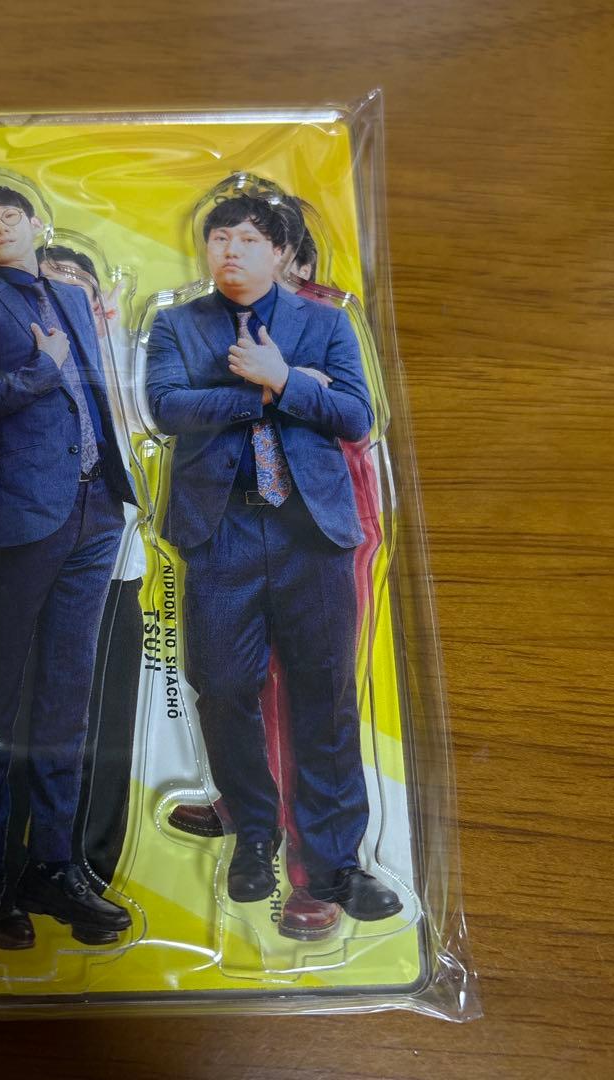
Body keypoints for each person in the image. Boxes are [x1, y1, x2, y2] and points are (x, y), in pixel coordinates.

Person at [146, 193, 401, 921]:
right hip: (219, 531)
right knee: (224, 687)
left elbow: (355, 416)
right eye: (219, 237)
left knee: (325, 695)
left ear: (283, 252)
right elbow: (167, 408)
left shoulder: (326, 323)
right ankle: (254, 834)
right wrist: (264, 388)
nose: (230, 250)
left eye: (249, 239)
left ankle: (336, 865)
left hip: (310, 534)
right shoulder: (176, 324)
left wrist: (286, 377)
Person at [0, 186, 137, 949]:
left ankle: (53, 864)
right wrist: (39, 371)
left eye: (9, 216)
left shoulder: (75, 300)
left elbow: (100, 395)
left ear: (33, 224)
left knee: (66, 699)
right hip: (18, 520)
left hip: (96, 511)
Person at [0, 243, 147, 947]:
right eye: (47, 285)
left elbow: (146, 424)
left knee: (106, 732)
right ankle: (6, 880)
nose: (62, 296)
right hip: (34, 569)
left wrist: (106, 347)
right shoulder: (15, 360)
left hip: (115, 571)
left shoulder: (119, 358)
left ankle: (85, 877)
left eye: (77, 287)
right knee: (24, 726)